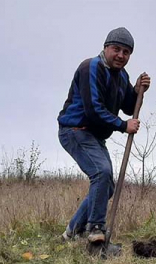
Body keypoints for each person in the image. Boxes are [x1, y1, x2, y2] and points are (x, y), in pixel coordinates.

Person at [57, 27, 150, 243]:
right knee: (102, 172)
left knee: (107, 185)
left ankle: (71, 232)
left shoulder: (121, 75)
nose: (121, 55)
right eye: (116, 49)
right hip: (76, 130)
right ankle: (95, 229)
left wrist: (137, 92)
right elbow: (93, 110)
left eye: (126, 52)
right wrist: (122, 125)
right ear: (106, 48)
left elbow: (128, 107)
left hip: (95, 136)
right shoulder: (91, 67)